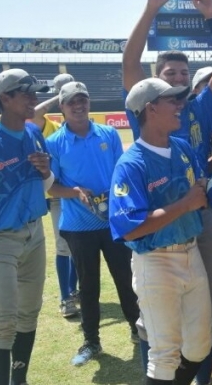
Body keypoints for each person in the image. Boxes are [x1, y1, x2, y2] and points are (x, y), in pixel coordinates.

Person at [122, 0, 212, 385]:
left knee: (207, 304)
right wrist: (151, 8)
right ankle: (158, 365)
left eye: (184, 75)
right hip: (159, 215)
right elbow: (129, 63)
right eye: (171, 76)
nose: (179, 81)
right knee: (159, 323)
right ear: (155, 85)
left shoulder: (199, 108)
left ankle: (197, 374)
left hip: (198, 216)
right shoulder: (148, 119)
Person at [108, 78, 212, 385]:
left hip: (191, 251)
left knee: (199, 346)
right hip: (155, 261)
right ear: (150, 108)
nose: (180, 105)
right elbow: (129, 229)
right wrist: (185, 204)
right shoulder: (131, 163)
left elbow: (198, 190)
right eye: (172, 100)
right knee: (165, 354)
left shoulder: (181, 147)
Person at [45, 81, 141, 366]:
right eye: (71, 101)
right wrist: (75, 192)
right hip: (78, 227)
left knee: (126, 279)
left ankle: (139, 330)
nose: (78, 105)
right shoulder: (54, 143)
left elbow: (120, 172)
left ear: (89, 102)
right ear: (62, 107)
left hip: (112, 223)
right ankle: (92, 342)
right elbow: (52, 187)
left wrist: (115, 200)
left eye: (82, 99)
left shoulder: (109, 134)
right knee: (88, 287)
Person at [0, 68, 52, 385]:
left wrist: (46, 171)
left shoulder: (33, 133)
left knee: (29, 315)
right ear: (5, 98)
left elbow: (45, 182)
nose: (34, 98)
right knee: (2, 325)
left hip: (35, 235)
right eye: (26, 92)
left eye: (35, 92)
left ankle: (19, 381)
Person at [31, 72, 79, 319]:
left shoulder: (73, 127)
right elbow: (33, 114)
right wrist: (58, 95)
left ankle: (74, 289)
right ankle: (65, 297)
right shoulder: (49, 125)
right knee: (63, 246)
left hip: (79, 195)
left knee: (79, 245)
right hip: (57, 194)